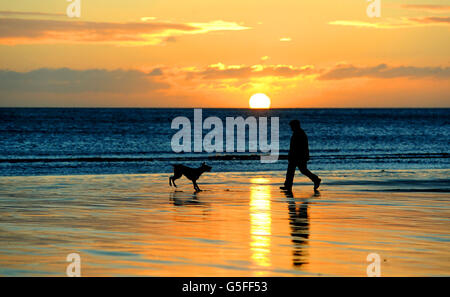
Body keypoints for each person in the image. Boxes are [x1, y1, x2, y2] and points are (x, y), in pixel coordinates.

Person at [280, 120, 321, 192]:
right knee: (293, 170)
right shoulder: (298, 133)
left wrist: (300, 156)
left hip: (298, 156)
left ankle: (316, 179)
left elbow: (301, 147)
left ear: (295, 126)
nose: (291, 128)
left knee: (299, 170)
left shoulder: (299, 133)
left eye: (292, 126)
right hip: (297, 156)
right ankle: (288, 186)